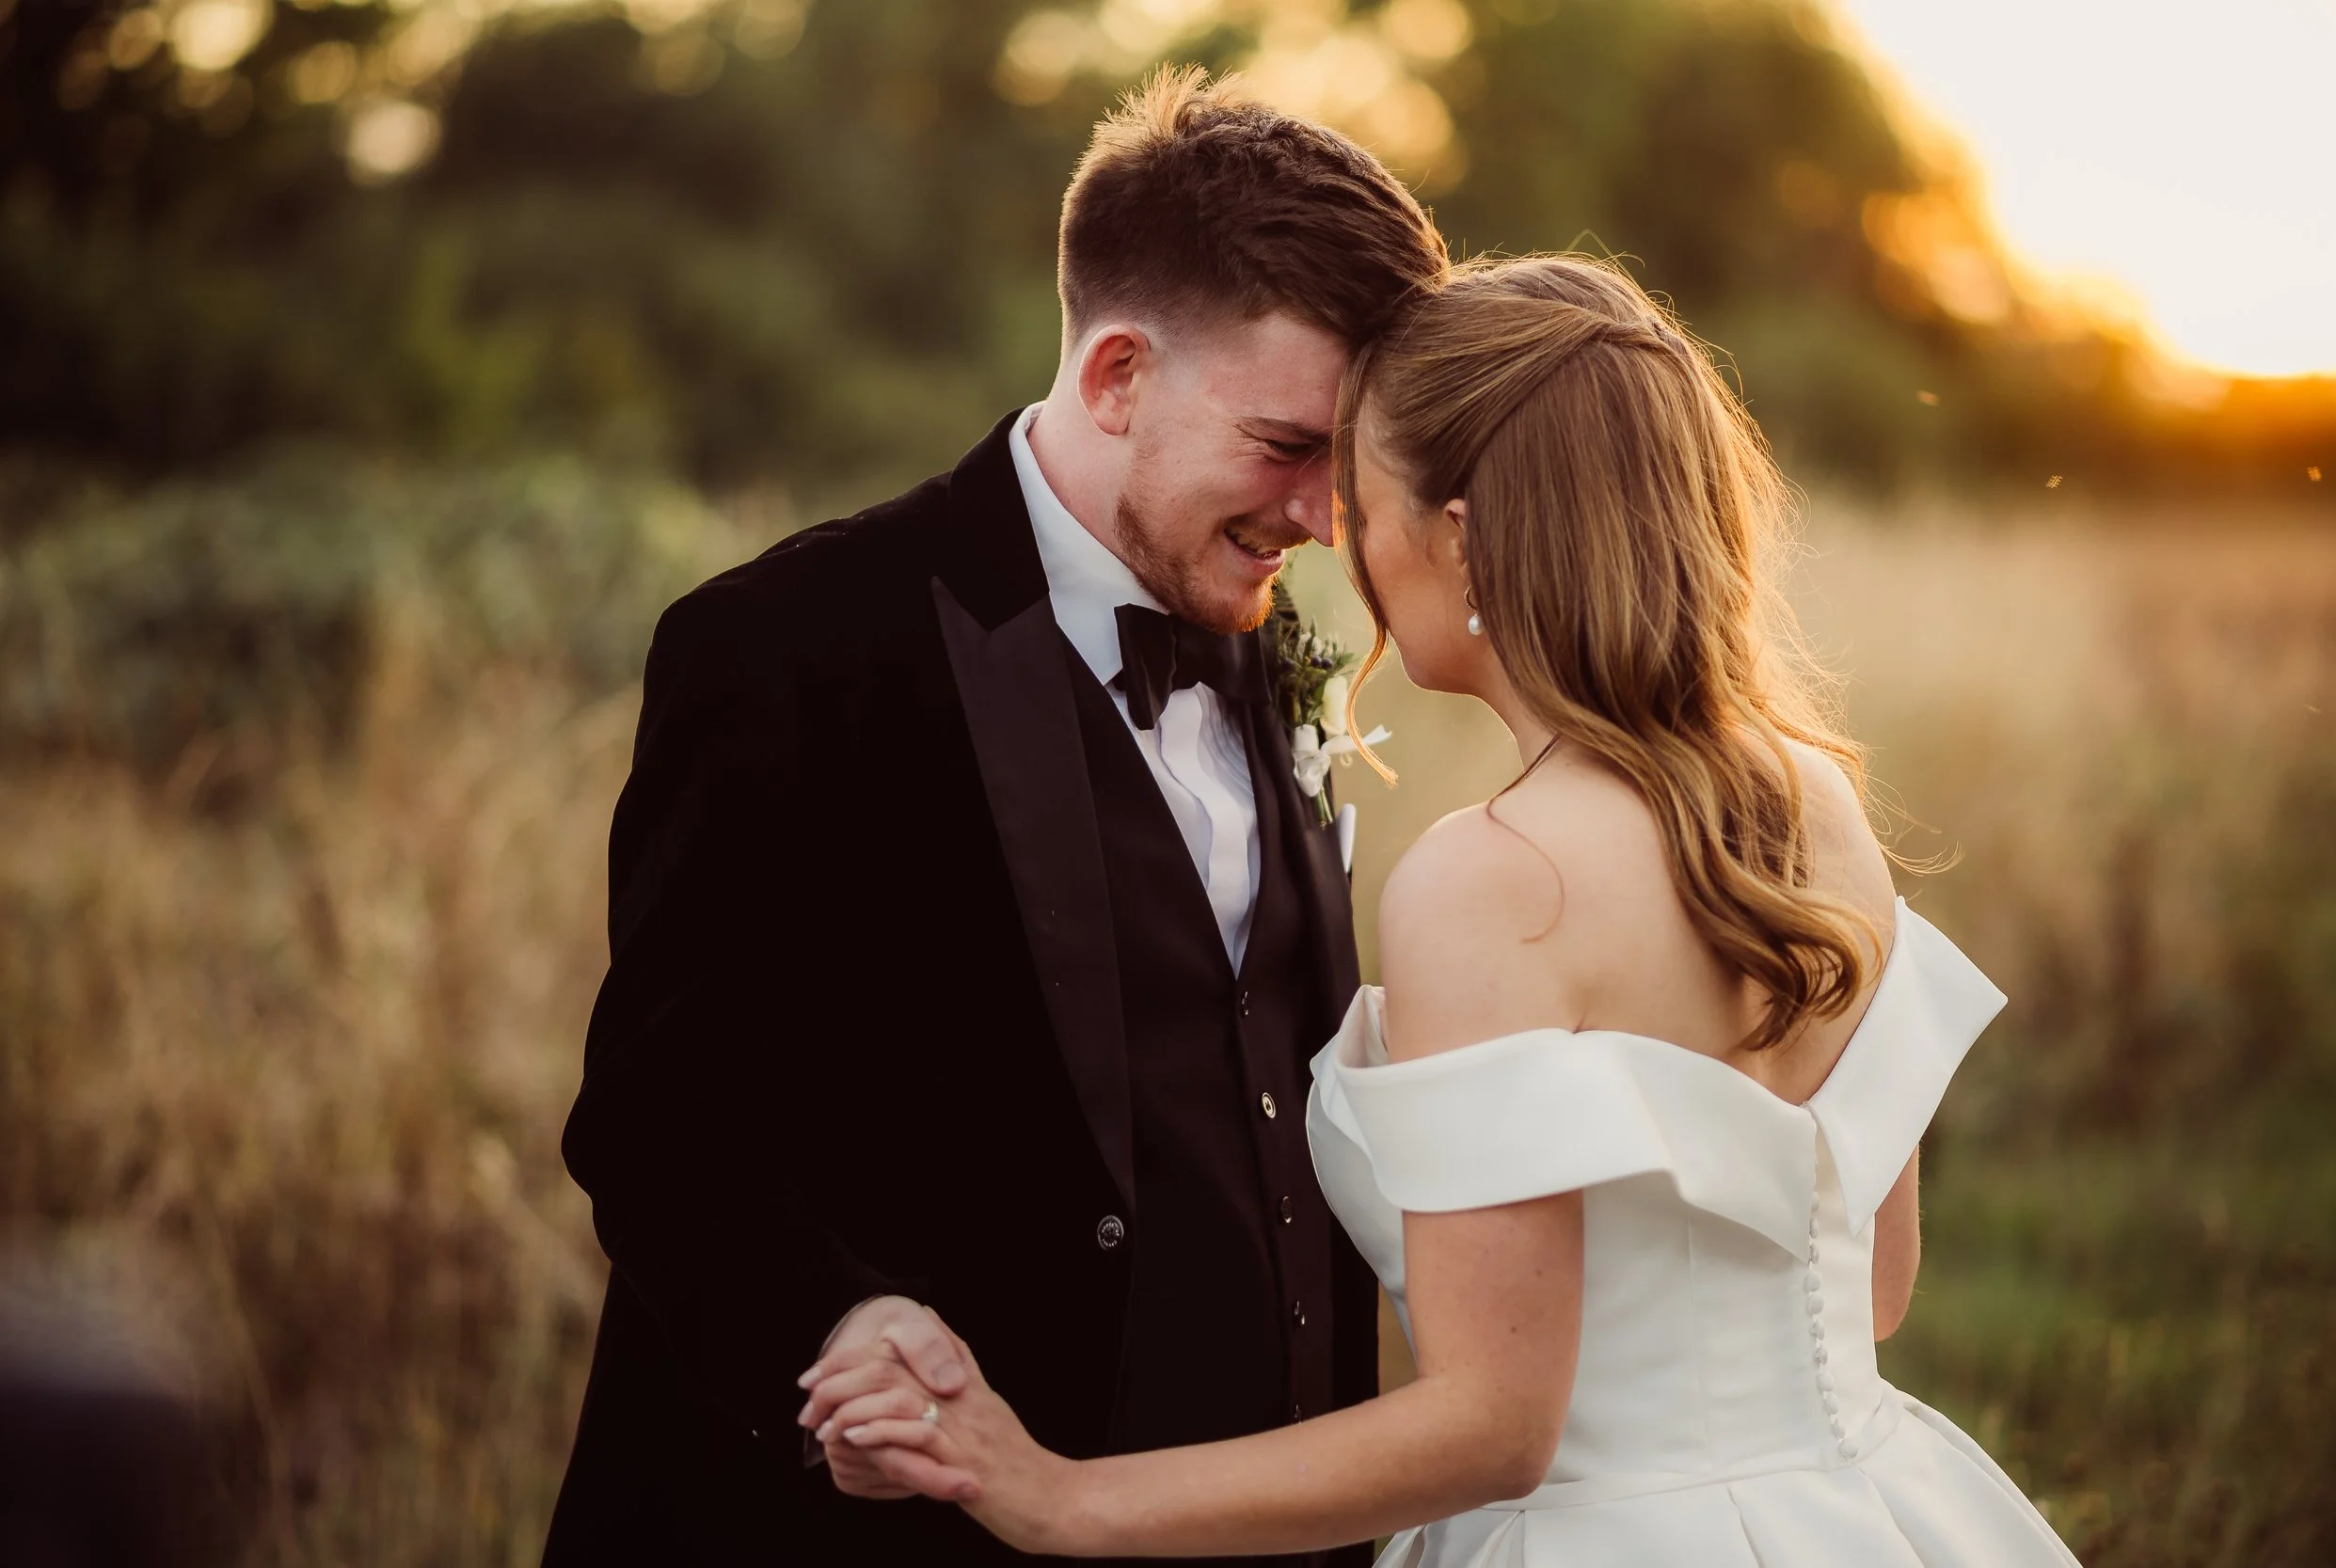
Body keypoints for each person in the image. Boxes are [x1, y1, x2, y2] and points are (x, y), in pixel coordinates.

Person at [801, 256, 2088, 1568]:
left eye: (1360, 499)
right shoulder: (1816, 801)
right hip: (1862, 1508)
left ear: (1461, 531)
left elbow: (1490, 1429)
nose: (1335, 541)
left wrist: (1054, 1496)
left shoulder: (1494, 878)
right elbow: (1873, 1287)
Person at [539, 68, 1449, 1566]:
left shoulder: (1269, 637)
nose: (1324, 519)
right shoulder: (784, 649)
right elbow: (658, 1117)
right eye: (1289, 448)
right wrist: (838, 1317)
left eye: (1344, 467)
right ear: (1115, 377)